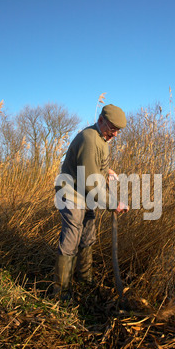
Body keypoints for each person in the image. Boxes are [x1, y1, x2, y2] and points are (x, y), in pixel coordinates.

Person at [52, 104, 129, 301]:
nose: (115, 134)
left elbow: (96, 166)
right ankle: (61, 293)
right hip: (72, 193)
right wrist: (113, 204)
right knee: (72, 237)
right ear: (101, 120)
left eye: (117, 131)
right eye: (112, 128)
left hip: (85, 195)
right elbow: (90, 180)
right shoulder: (89, 138)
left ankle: (85, 279)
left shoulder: (102, 139)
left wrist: (107, 172)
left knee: (88, 235)